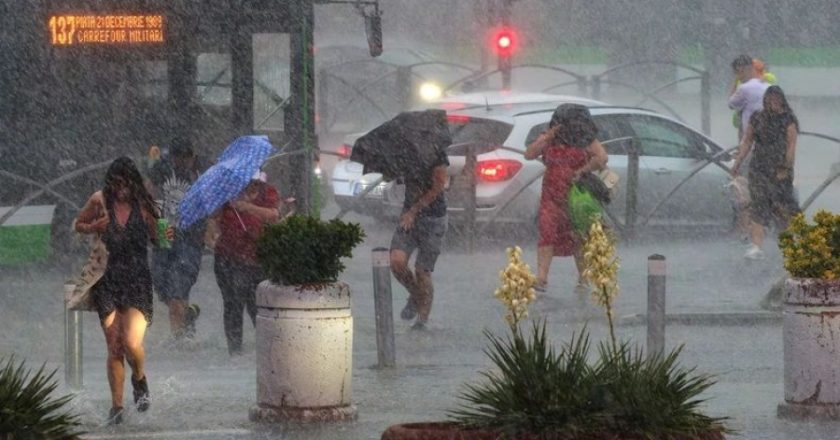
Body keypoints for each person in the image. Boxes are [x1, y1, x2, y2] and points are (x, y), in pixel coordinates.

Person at [74, 157, 171, 424]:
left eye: (125, 183)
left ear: (133, 182)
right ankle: (116, 408)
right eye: (116, 183)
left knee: (131, 342)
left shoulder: (145, 207)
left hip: (137, 280)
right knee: (114, 345)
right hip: (107, 279)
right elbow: (77, 224)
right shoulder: (99, 201)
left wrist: (168, 234)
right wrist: (94, 227)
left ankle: (139, 377)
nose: (120, 189)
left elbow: (160, 240)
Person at [524, 104, 609, 294]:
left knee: (578, 236)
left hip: (575, 195)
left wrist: (581, 171)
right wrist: (547, 137)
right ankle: (542, 278)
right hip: (551, 195)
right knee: (547, 233)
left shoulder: (586, 138)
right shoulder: (551, 138)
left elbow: (602, 158)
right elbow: (529, 154)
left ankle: (583, 278)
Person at [210, 172, 280, 355]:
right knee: (233, 305)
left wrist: (246, 207)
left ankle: (268, 352)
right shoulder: (229, 192)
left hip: (257, 259)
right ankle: (235, 351)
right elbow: (213, 216)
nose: (253, 186)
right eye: (250, 182)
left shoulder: (268, 192)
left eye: (256, 183)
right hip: (228, 258)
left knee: (258, 306)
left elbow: (273, 215)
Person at [147, 139, 208, 340]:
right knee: (162, 284)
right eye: (178, 159)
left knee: (177, 287)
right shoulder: (162, 168)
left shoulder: (201, 171)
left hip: (190, 235)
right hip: (164, 232)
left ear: (192, 158)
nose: (181, 163)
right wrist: (153, 219)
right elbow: (148, 191)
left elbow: (210, 201)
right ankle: (187, 313)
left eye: (185, 160)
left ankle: (180, 340)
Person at [732, 85, 800, 260]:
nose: (774, 104)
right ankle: (756, 246)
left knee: (783, 207)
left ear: (782, 101)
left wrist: (786, 167)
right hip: (759, 169)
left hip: (780, 171)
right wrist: (737, 162)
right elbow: (747, 142)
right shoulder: (757, 118)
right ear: (765, 101)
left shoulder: (788, 120)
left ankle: (791, 244)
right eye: (770, 100)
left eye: (777, 100)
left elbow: (791, 146)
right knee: (759, 206)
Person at [390, 144, 450, 330]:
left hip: (433, 219)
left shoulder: (437, 155)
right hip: (409, 218)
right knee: (396, 262)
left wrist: (414, 210)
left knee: (422, 271)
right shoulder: (405, 152)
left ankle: (422, 322)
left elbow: (438, 187)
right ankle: (416, 295)